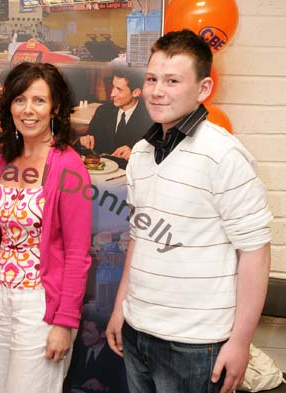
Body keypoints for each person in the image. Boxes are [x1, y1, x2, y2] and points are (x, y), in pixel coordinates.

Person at [105, 29, 273, 393]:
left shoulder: (224, 155)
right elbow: (140, 237)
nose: (157, 90)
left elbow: (255, 254)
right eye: (151, 79)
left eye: (172, 80)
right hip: (138, 332)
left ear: (203, 89)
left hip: (195, 346)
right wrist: (122, 308)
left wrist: (240, 342)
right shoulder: (141, 153)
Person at [0, 62, 92, 393]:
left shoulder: (69, 166)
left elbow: (77, 254)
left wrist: (64, 323)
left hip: (41, 305)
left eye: (39, 100)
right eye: (20, 100)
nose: (28, 110)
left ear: (55, 108)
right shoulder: (7, 158)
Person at [75, 69, 153, 160]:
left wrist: (135, 153)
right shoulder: (103, 111)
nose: (112, 94)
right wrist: (83, 141)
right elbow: (87, 142)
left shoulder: (151, 118)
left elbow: (159, 155)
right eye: (113, 86)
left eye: (119, 89)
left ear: (136, 92)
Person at [65, 310, 127, 393]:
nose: (83, 334)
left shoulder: (115, 355)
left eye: (88, 331)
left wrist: (104, 387)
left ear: (103, 334)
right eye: (83, 329)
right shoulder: (77, 347)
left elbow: (120, 385)